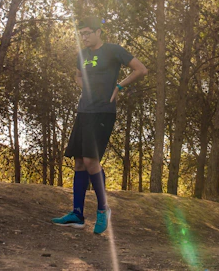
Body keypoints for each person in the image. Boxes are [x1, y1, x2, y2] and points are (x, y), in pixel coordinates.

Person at [52, 17, 148, 234]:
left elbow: (141, 69)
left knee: (91, 160)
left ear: (98, 32)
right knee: (78, 161)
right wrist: (85, 88)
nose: (84, 37)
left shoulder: (113, 50)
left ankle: (103, 210)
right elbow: (78, 75)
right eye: (81, 34)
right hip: (83, 110)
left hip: (103, 111)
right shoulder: (82, 55)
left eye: (87, 33)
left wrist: (119, 87)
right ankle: (77, 214)